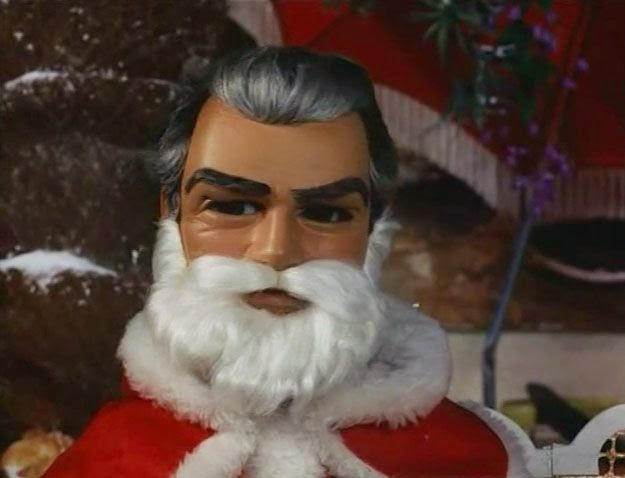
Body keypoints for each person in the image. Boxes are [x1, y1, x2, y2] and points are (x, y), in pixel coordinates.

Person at [43, 46, 527, 478]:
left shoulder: (479, 463)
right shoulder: (105, 465)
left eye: (326, 214)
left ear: (371, 232)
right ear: (173, 215)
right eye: (232, 206)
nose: (276, 250)